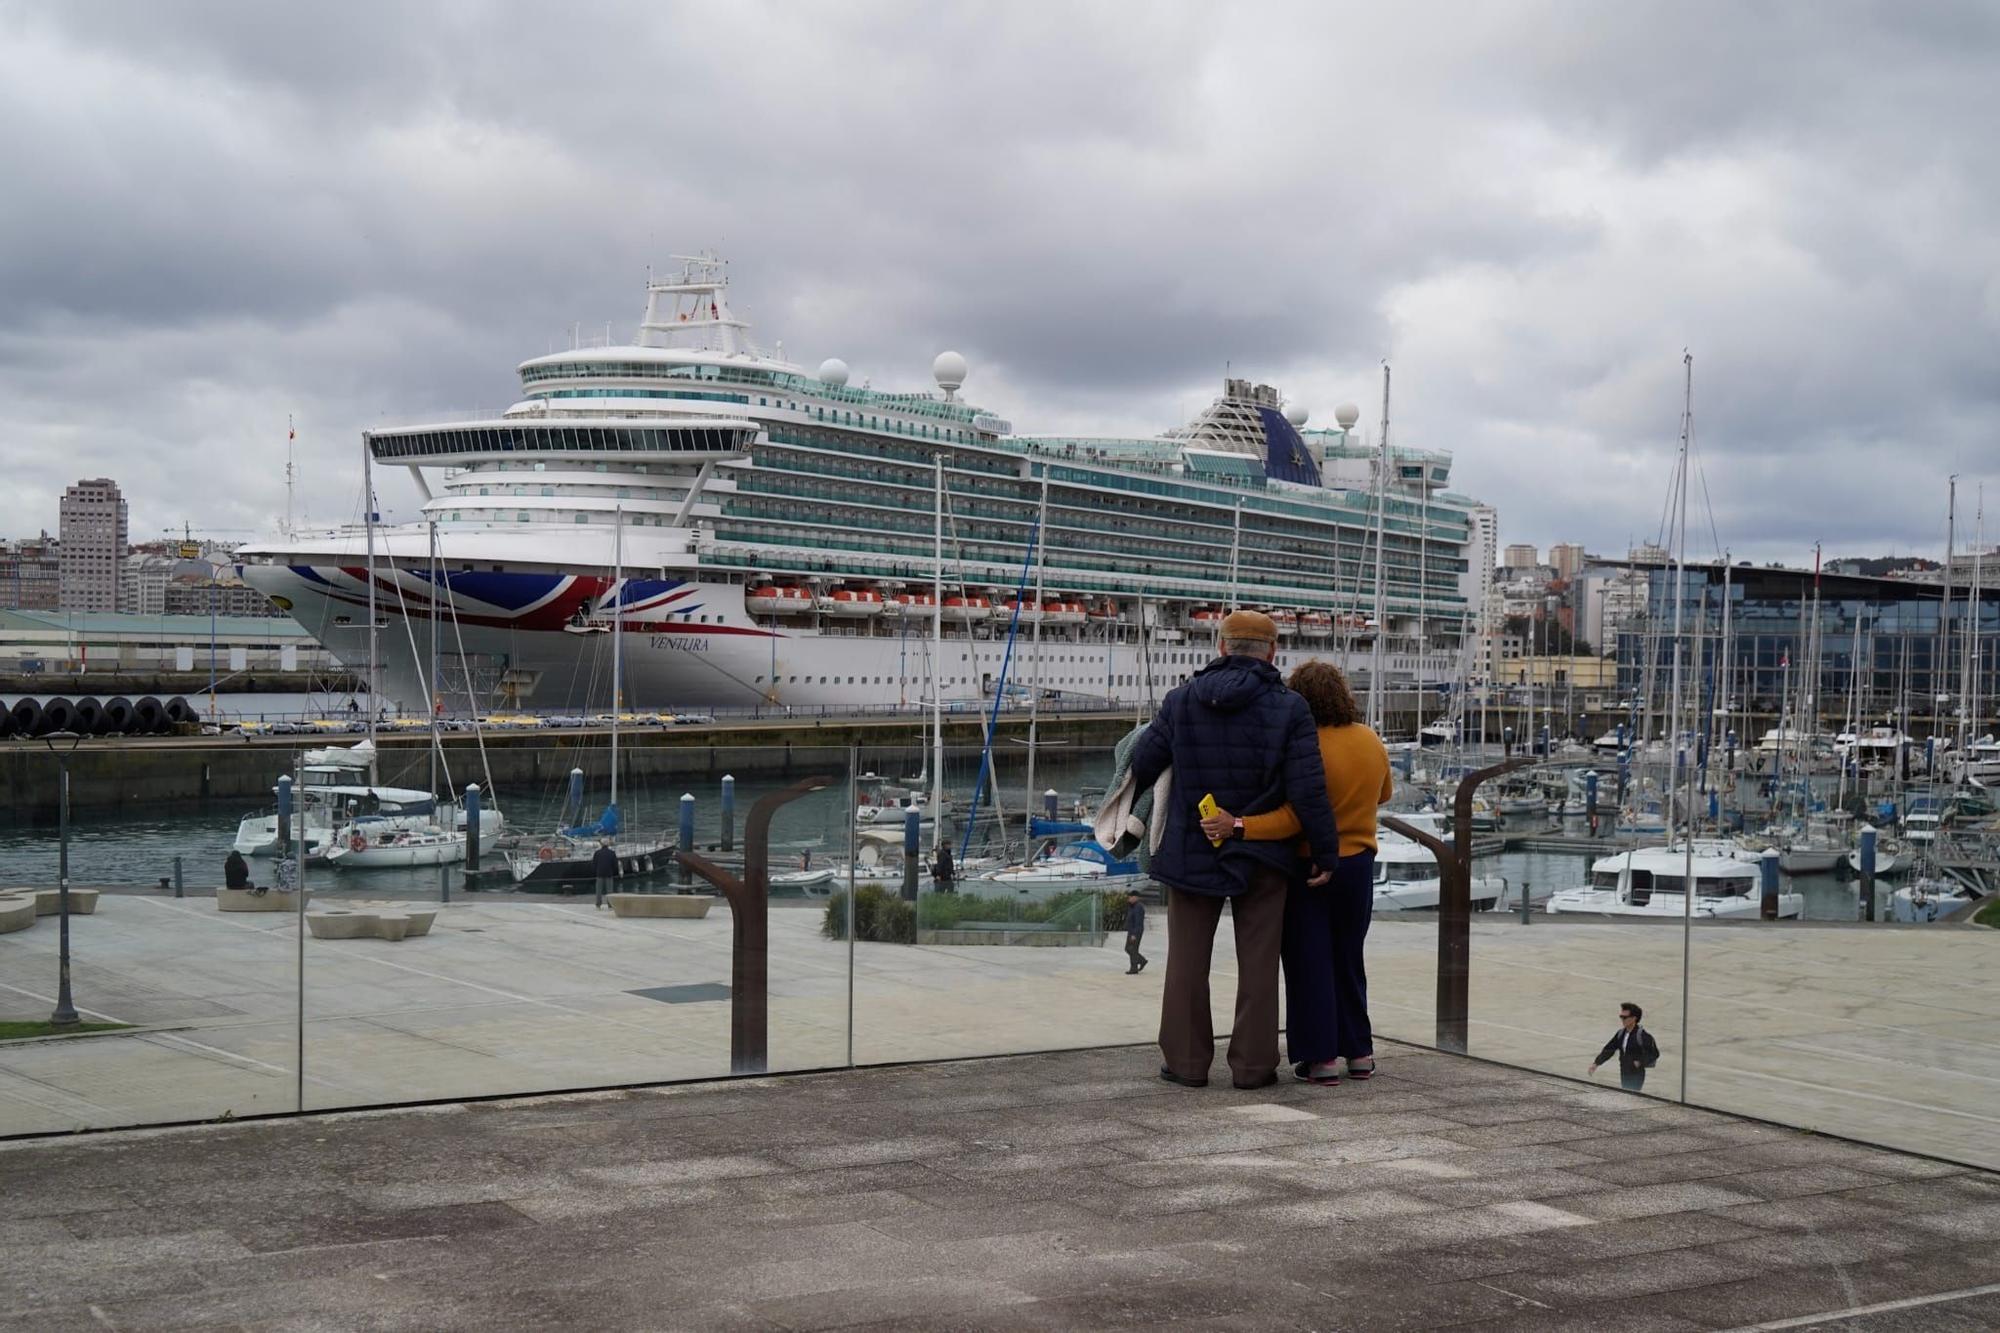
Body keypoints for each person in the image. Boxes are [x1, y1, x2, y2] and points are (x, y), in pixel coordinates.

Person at [1127, 610, 1341, 1090]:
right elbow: (1308, 791)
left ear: (1221, 647)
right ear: (1272, 651)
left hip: (1190, 846)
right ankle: (1252, 1067)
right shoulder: (1290, 708)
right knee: (1260, 964)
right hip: (1264, 852)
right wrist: (1325, 854)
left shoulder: (1181, 701)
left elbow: (1143, 762)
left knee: (1186, 961)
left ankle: (1185, 1064)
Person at [1201, 661, 1391, 1086]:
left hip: (1308, 864)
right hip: (1359, 864)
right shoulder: (1370, 740)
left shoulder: (1303, 743)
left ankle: (1321, 1059)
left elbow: (1293, 816)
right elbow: (1384, 793)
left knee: (1309, 963)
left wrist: (1240, 825)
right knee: (1348, 959)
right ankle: (1360, 1052)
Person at [1590, 1001, 1660, 1091]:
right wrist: (1596, 1063)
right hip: (1624, 1070)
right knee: (1626, 1093)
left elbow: (1654, 1053)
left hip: (1636, 1073)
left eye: (1625, 1017)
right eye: (1621, 1017)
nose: (1622, 1020)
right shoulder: (1621, 1034)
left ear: (1634, 1018)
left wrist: (1640, 1062)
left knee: (1632, 1095)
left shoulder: (1642, 1036)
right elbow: (1609, 1049)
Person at [1124, 890, 1148, 974]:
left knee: (1132, 949)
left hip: (1136, 932)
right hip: (1131, 931)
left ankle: (1134, 968)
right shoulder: (1132, 906)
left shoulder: (1138, 907)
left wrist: (1134, 934)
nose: (1129, 899)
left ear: (1135, 897)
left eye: (1130, 897)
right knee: (1129, 948)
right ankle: (1141, 961)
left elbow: (1138, 922)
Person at [591, 838, 619, 909]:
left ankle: (598, 904)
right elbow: (615, 865)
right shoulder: (612, 853)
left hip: (599, 873)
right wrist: (613, 871)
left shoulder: (597, 853)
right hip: (609, 873)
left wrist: (596, 871)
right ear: (608, 844)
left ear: (601, 844)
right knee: (609, 890)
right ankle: (610, 905)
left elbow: (594, 864)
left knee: (598, 890)